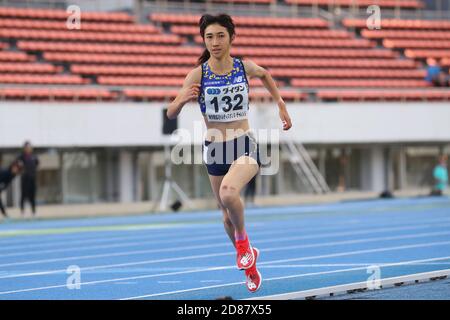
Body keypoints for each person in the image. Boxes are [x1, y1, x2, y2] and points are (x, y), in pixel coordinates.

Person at [166, 14, 292, 292]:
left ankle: (244, 243)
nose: (215, 42)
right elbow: (170, 111)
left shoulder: (243, 67)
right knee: (225, 217)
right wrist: (182, 100)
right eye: (209, 37)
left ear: (232, 37)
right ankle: (249, 265)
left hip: (242, 142)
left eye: (220, 36)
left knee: (228, 192)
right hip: (213, 147)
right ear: (203, 40)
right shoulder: (197, 73)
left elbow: (266, 74)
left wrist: (280, 103)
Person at [16, 141, 39, 217]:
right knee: (23, 195)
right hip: (25, 178)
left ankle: (33, 212)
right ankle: (22, 212)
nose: (28, 149)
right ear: (24, 148)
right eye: (27, 147)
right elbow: (18, 166)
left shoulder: (34, 156)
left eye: (29, 147)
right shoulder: (21, 157)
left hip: (32, 178)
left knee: (32, 196)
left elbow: (37, 164)